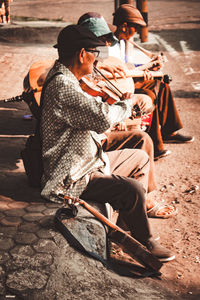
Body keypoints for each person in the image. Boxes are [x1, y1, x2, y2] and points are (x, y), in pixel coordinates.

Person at [40, 24, 175, 261]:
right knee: (131, 189)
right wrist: (127, 104)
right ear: (82, 54)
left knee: (140, 158)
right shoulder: (63, 86)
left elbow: (93, 115)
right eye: (95, 54)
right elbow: (102, 117)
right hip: (71, 175)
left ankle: (127, 231)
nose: (96, 61)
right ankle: (145, 242)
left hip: (87, 161)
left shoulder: (68, 78)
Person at [77, 12, 177, 218]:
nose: (100, 46)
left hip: (98, 126)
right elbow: (92, 113)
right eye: (94, 43)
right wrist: (117, 118)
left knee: (144, 131)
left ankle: (143, 197)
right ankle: (141, 202)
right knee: (146, 102)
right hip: (86, 146)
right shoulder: (70, 77)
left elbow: (114, 71)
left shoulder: (98, 54)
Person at [104, 4, 194, 159]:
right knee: (149, 94)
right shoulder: (109, 46)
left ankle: (169, 130)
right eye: (135, 28)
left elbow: (129, 65)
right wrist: (142, 73)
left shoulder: (124, 41)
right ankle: (155, 146)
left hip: (127, 79)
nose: (137, 32)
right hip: (117, 86)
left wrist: (150, 68)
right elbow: (117, 75)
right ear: (124, 26)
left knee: (162, 82)